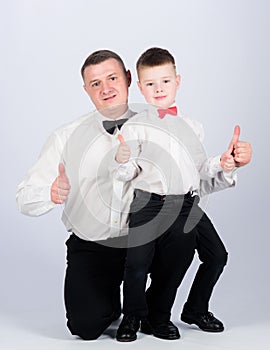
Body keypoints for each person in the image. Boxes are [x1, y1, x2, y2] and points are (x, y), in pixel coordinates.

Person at [16, 49, 252, 341]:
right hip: (97, 243)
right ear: (86, 90)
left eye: (112, 78)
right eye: (95, 83)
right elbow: (25, 197)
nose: (106, 89)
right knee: (86, 326)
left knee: (183, 237)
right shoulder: (66, 136)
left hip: (150, 233)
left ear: (129, 79)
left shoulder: (164, 121)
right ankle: (117, 303)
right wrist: (51, 194)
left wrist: (228, 166)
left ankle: (152, 311)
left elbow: (195, 182)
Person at [114, 47, 252, 342]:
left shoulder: (193, 126)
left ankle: (179, 312)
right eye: (150, 84)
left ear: (177, 81)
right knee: (137, 265)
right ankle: (133, 316)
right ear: (140, 88)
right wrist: (123, 160)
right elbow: (130, 172)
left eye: (165, 81)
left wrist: (223, 163)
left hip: (186, 203)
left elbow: (200, 169)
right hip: (149, 202)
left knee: (202, 259)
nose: (159, 89)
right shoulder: (136, 125)